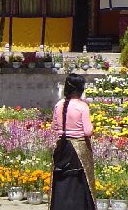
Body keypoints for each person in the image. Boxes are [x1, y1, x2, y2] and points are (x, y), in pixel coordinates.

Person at [50, 73, 95, 210]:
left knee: (62, 180)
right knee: (79, 181)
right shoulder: (82, 106)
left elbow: (54, 127)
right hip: (78, 148)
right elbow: (88, 131)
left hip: (62, 147)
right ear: (81, 89)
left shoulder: (59, 105)